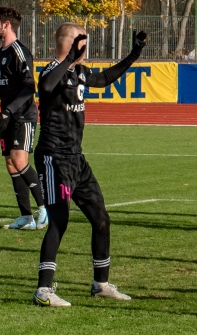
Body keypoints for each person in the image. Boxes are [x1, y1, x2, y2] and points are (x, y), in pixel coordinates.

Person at [32, 23, 146, 307]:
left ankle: (101, 284)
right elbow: (45, 87)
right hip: (53, 157)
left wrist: (134, 54)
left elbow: (105, 77)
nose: (87, 47)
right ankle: (43, 291)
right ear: (70, 43)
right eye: (83, 41)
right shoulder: (52, 70)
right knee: (59, 220)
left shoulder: (79, 72)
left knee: (101, 219)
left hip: (76, 159)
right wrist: (70, 56)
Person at [0, 7, 47, 230]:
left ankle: (45, 210)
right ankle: (26, 217)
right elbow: (7, 86)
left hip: (23, 114)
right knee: (10, 163)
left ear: (6, 25)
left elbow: (28, 87)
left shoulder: (19, 51)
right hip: (8, 114)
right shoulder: (2, 52)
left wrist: (8, 111)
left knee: (19, 160)